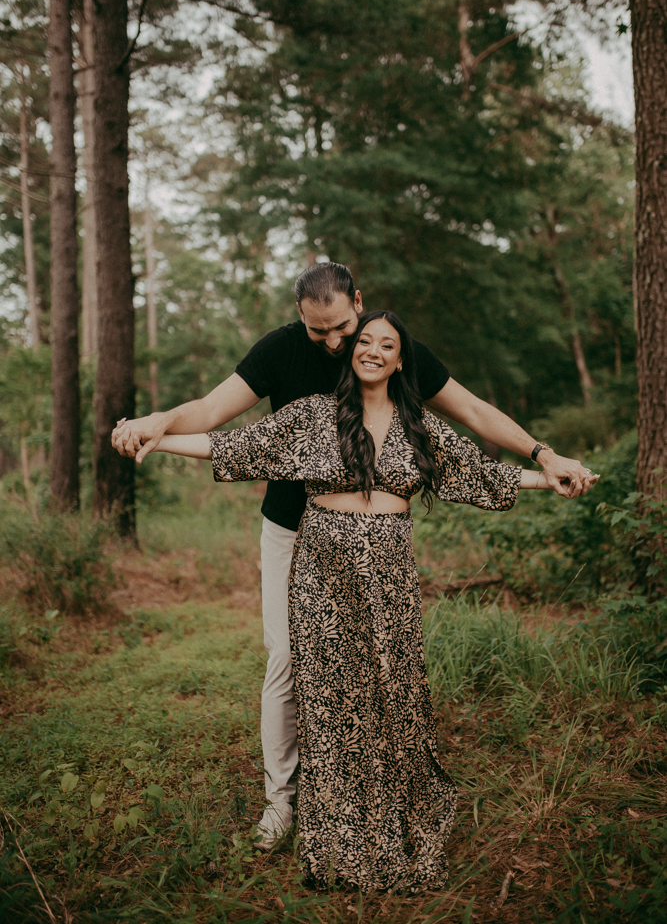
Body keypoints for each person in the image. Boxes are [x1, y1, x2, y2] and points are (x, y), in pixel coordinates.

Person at [112, 263, 598, 850]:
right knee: (289, 659)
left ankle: (366, 789)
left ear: (359, 306)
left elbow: (470, 417)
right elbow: (216, 421)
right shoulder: (283, 355)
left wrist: (544, 458)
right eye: (322, 334)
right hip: (296, 530)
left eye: (345, 328)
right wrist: (156, 424)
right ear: (301, 318)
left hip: (380, 546)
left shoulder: (384, 344)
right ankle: (282, 801)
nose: (339, 345)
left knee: (377, 665)